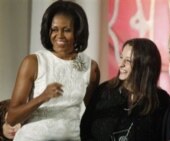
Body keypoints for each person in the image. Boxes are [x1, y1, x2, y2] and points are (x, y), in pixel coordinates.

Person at [6, 0, 100, 140]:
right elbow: (12, 118)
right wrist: (42, 97)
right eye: (54, 29)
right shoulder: (33, 62)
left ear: (78, 31)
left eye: (67, 30)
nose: (59, 36)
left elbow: (90, 114)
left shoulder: (90, 68)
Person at [80, 38, 170, 141]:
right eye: (121, 58)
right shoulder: (103, 92)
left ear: (144, 65)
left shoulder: (161, 101)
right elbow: (85, 130)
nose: (120, 64)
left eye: (128, 61)